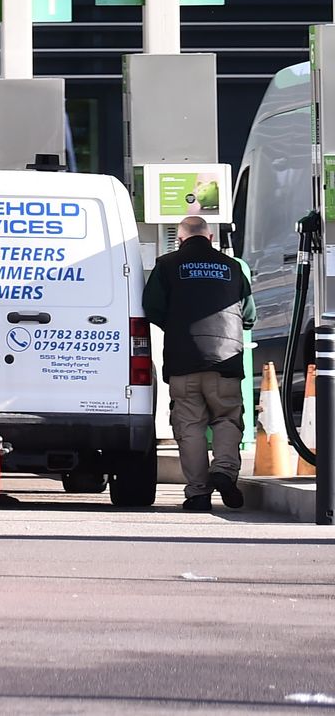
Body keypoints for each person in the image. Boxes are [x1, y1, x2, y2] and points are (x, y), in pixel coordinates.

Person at [142, 215, 256, 512]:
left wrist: (176, 326)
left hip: (184, 361)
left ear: (179, 240)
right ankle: (224, 471)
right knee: (227, 418)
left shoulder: (167, 265)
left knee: (189, 425)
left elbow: (151, 307)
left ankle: (198, 494)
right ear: (211, 238)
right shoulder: (233, 267)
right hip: (225, 362)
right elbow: (249, 316)